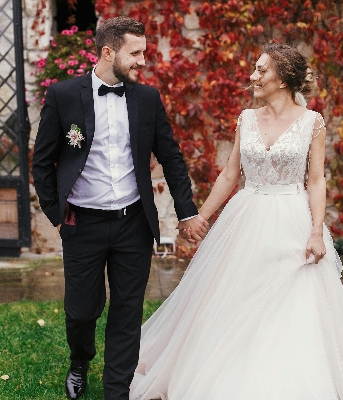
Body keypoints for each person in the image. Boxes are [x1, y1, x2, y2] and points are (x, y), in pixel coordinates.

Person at [129, 43, 343, 399]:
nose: (253, 76)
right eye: (255, 69)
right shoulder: (246, 118)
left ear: (284, 78)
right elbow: (230, 174)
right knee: (234, 296)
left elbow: (315, 181)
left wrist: (315, 232)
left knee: (294, 300)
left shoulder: (312, 122)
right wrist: (200, 216)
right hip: (245, 218)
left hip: (293, 219)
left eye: (261, 70)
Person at [32, 16, 208, 400]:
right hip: (82, 223)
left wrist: (186, 210)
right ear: (108, 52)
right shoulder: (64, 96)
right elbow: (42, 162)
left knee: (127, 310)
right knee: (81, 310)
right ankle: (80, 360)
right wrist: (56, 214)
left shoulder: (147, 99)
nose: (143, 61)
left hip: (134, 223)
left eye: (144, 53)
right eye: (136, 53)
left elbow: (171, 158)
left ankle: (117, 390)